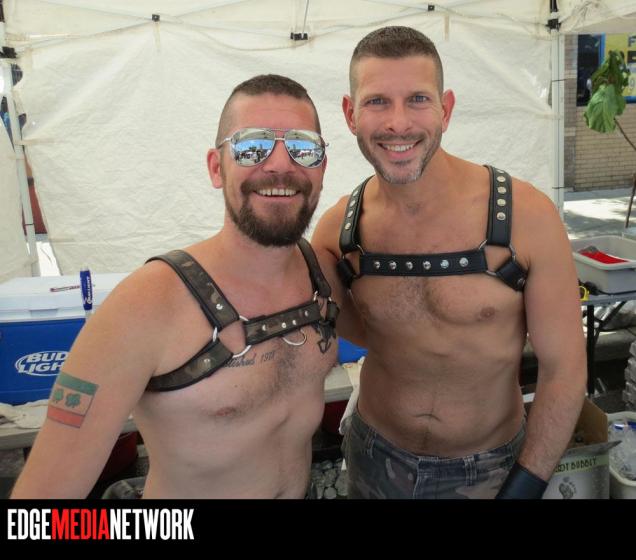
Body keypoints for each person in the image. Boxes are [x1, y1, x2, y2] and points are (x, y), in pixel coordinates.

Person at [11, 74, 338, 499]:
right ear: (216, 167)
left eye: (302, 147)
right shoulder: (146, 305)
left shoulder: (322, 274)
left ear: (321, 168)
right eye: (252, 146)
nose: (279, 164)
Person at [312, 26, 587, 499]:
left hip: (490, 468)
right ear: (350, 113)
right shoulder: (339, 232)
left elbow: (565, 367)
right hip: (374, 456)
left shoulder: (525, 218)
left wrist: (527, 481)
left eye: (418, 99)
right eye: (377, 101)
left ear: (447, 108)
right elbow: (349, 331)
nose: (398, 123)